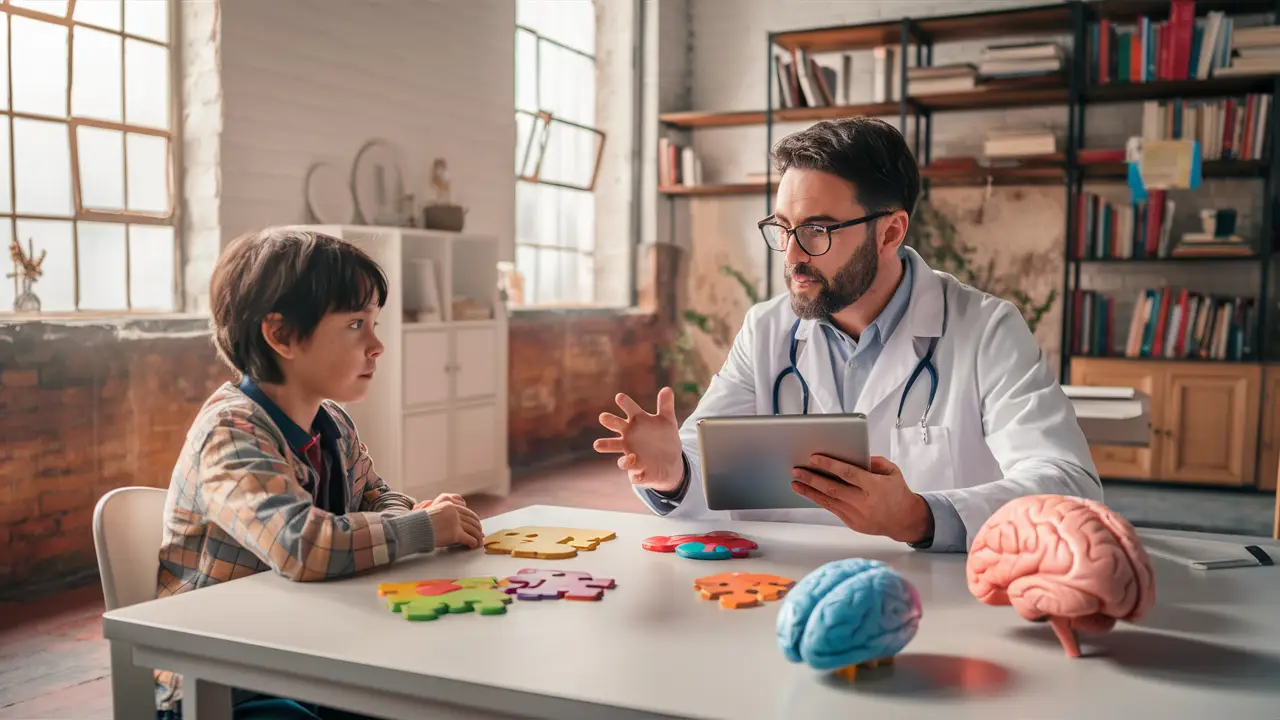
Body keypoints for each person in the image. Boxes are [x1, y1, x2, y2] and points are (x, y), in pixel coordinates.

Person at [595, 117, 1101, 553]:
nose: (792, 255)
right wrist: (673, 473)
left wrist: (920, 518)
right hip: (780, 599)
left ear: (890, 233)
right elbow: (707, 470)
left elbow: (1070, 489)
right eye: (784, 227)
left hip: (938, 601)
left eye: (817, 230)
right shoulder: (767, 330)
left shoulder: (986, 330)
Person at [154, 228, 485, 719]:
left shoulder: (331, 421)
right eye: (355, 324)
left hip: (308, 656)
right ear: (282, 335)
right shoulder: (231, 432)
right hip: (222, 686)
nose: (377, 345)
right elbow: (303, 546)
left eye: (373, 322)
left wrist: (409, 518)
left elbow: (378, 495)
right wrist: (421, 527)